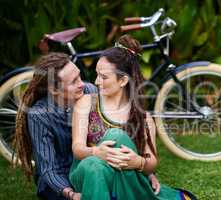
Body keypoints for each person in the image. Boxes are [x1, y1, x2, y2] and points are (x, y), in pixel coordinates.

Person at [14, 52, 160, 200]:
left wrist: (145, 170)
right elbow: (48, 169)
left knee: (100, 167)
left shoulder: (89, 91)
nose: (82, 84)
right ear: (54, 89)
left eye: (79, 76)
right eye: (73, 82)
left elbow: (120, 130)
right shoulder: (39, 115)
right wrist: (72, 195)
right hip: (60, 180)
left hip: (99, 164)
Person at [70, 35, 188, 199]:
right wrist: (96, 152)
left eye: (104, 77)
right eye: (97, 75)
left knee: (99, 161)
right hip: (84, 173)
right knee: (95, 163)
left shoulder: (143, 117)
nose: (97, 81)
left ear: (123, 80)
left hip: (116, 173)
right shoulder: (86, 103)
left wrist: (138, 163)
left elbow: (151, 161)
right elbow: (77, 149)